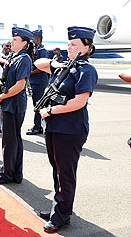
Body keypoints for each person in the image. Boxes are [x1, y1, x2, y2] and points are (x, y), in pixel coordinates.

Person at [33, 26, 98, 233]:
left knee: (65, 173)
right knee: (57, 170)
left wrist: (51, 110)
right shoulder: (64, 67)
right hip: (54, 128)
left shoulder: (85, 70)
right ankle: (59, 208)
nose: (69, 46)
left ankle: (61, 215)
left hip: (70, 129)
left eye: (74, 44)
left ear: (86, 47)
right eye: (68, 43)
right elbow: (38, 63)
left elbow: (79, 102)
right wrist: (54, 63)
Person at [0, 27, 32, 185]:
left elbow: (20, 85)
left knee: (10, 140)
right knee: (14, 140)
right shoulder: (15, 57)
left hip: (13, 104)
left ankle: (7, 174)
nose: (12, 42)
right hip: (10, 103)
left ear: (24, 43)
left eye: (15, 40)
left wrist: (0, 97)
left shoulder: (24, 59)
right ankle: (15, 173)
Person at [27, 29, 49, 135]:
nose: (31, 41)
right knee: (37, 104)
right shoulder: (36, 50)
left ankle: (38, 126)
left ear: (38, 39)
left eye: (33, 39)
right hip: (35, 81)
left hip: (39, 81)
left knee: (38, 105)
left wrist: (30, 73)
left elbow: (42, 67)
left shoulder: (42, 51)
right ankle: (39, 126)